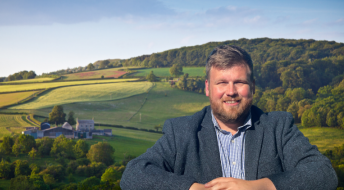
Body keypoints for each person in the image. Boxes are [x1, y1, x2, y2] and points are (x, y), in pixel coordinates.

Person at [120, 45, 338, 190]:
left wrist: (258, 187)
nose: (231, 91)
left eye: (240, 83)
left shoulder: (278, 127)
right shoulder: (182, 131)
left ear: (252, 87)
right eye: (222, 82)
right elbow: (133, 175)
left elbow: (323, 173)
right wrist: (190, 188)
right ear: (207, 88)